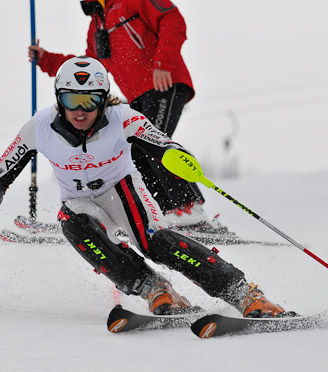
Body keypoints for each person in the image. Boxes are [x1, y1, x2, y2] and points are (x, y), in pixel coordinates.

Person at [0, 56, 293, 318]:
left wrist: (177, 157)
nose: (79, 110)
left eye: (89, 102)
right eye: (70, 99)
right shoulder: (39, 127)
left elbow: (161, 143)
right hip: (79, 201)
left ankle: (244, 294)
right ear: (58, 98)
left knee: (155, 242)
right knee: (73, 224)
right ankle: (155, 289)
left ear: (104, 100)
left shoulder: (123, 117)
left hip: (121, 191)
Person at [27, 0, 213, 229]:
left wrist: (163, 62)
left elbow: (173, 21)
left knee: (153, 144)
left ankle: (190, 207)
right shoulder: (96, 24)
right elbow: (87, 68)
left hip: (164, 82)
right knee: (134, 151)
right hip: (138, 95)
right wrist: (46, 59)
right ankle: (169, 211)